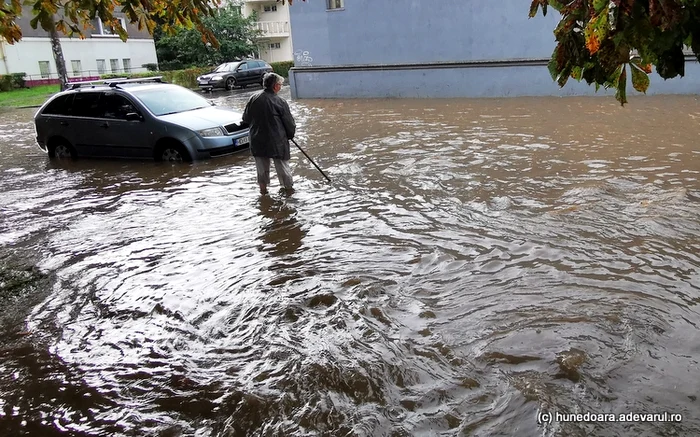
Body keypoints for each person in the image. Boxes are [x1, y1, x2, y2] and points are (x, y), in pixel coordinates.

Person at [242, 72, 296, 195]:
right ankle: (289, 192)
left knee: (262, 170)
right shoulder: (280, 101)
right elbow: (289, 123)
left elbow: (245, 119)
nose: (281, 87)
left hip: (257, 140)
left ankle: (263, 192)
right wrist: (290, 135)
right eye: (280, 84)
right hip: (277, 142)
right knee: (283, 168)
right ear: (275, 86)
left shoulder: (253, 98)